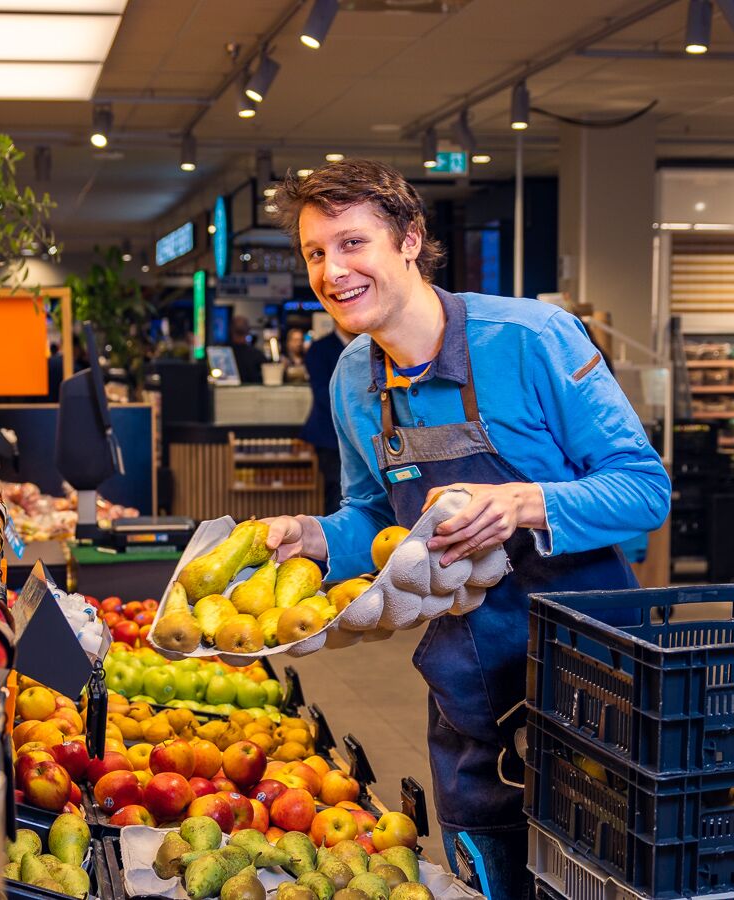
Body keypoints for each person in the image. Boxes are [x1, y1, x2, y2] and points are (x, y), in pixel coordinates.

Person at [257, 160, 670, 900]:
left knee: (598, 879)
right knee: (489, 880)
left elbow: (644, 490)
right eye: (316, 252)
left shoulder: (532, 339)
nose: (332, 270)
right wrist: (316, 538)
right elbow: (377, 520)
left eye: (353, 244)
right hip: (470, 692)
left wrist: (521, 502)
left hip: (590, 684)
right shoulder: (354, 378)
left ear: (411, 240)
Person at [301, 323, 352, 515]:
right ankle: (336, 541)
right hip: (328, 434)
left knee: (362, 493)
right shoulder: (320, 348)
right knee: (336, 491)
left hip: (361, 433)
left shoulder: (370, 343)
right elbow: (322, 392)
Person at [227, 316, 265, 384]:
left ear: (230, 329)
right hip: (253, 393)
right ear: (248, 330)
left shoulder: (222, 353)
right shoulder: (257, 355)